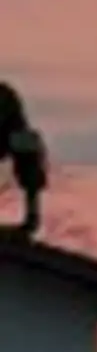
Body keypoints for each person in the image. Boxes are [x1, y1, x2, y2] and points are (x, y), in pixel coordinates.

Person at [0, 81, 42, 238]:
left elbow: (24, 143)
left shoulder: (4, 96)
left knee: (26, 142)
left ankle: (32, 216)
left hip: (5, 135)